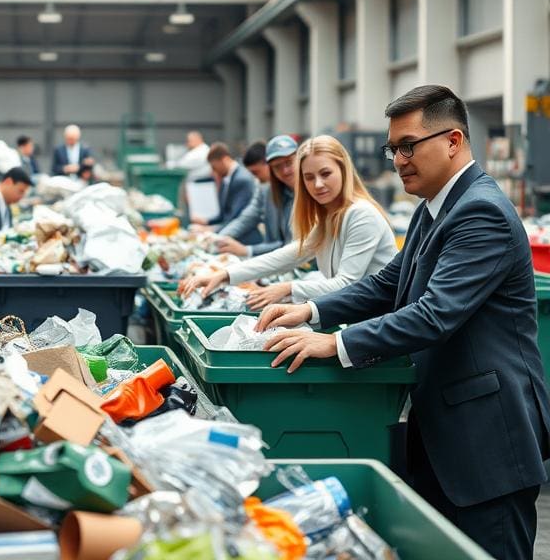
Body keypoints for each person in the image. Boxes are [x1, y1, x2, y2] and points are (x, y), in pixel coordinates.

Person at [255, 86, 550, 559]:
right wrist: (311, 311)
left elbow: (435, 314)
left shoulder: (481, 213)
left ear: (453, 140)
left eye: (408, 145)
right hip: (441, 429)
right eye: (393, 148)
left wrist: (336, 344)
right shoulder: (433, 209)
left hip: (486, 438)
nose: (398, 159)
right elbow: (389, 284)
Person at [181, 135, 396, 311]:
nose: (318, 184)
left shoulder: (361, 215)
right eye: (309, 177)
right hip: (357, 316)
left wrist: (287, 289)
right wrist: (224, 275)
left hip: (377, 325)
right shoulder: (327, 217)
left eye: (326, 173)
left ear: (344, 170)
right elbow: (290, 254)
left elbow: (346, 284)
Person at [217, 135, 298, 258]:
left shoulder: (311, 193)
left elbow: (291, 246)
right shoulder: (266, 191)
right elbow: (247, 218)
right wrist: (220, 239)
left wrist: (247, 250)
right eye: (277, 166)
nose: (285, 171)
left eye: (289, 163)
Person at [189, 143, 261, 244]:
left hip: (244, 240)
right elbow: (224, 214)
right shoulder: (225, 179)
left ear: (224, 159)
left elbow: (236, 217)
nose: (213, 171)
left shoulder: (242, 179)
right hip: (230, 236)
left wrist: (210, 229)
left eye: (214, 166)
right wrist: (206, 222)